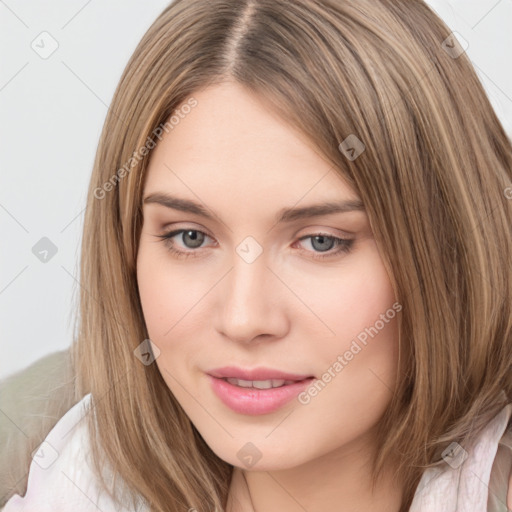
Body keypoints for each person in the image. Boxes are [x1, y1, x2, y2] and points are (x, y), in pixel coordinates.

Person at [2, 0, 512, 511]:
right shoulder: (31, 446)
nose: (244, 319)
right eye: (190, 237)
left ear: (450, 248)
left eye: (321, 241)